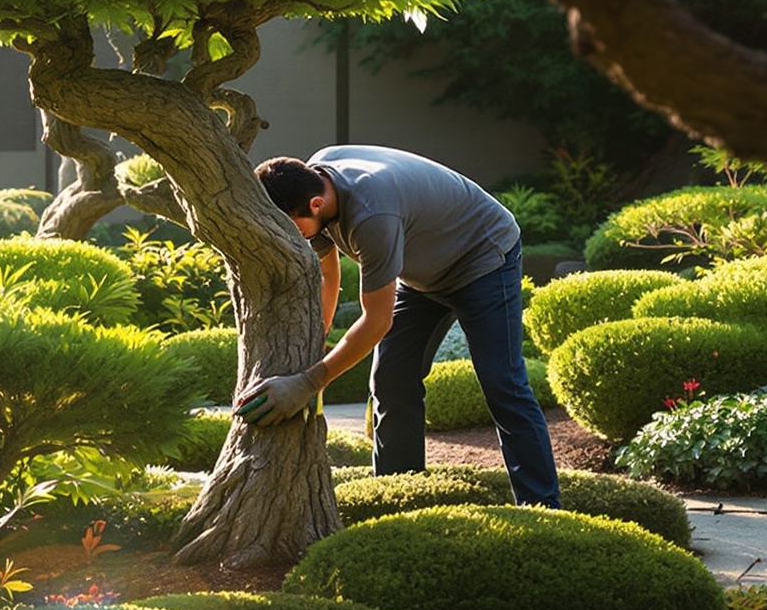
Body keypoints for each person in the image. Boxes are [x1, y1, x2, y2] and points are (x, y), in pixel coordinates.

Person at [240, 145, 560, 506]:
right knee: (391, 379)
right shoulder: (313, 182)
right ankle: (398, 497)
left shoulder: (371, 215)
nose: (292, 236)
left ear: (315, 205)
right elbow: (327, 274)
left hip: (482, 259)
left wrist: (309, 382)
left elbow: (377, 321)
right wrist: (317, 339)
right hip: (420, 270)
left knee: (503, 384)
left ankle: (543, 506)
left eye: (292, 228)